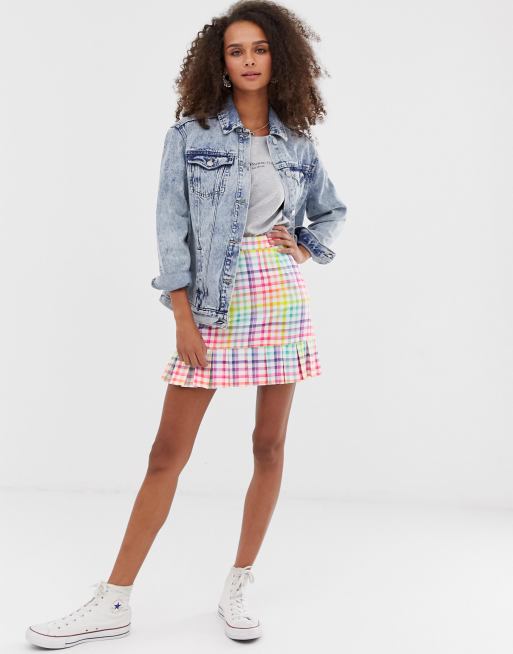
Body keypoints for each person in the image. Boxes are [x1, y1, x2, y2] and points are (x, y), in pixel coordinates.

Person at [25, 0, 348, 647]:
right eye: (236, 50)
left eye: (259, 49)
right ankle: (114, 599)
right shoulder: (189, 136)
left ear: (279, 58)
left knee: (268, 446)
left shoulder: (296, 140)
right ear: (219, 63)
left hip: (279, 299)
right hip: (211, 304)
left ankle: (239, 582)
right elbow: (170, 232)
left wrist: (304, 246)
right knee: (165, 455)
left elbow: (331, 210)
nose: (249, 60)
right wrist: (182, 317)